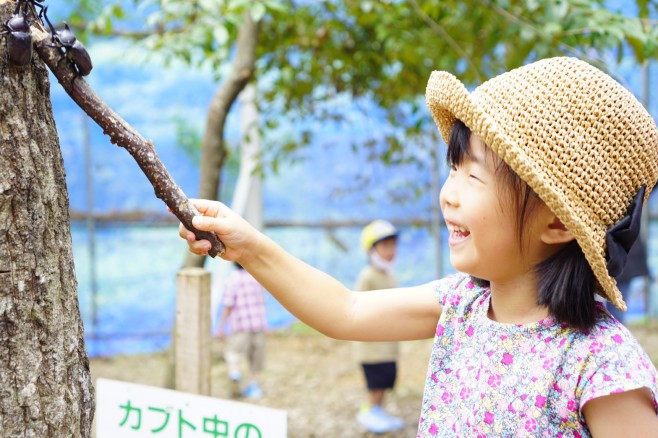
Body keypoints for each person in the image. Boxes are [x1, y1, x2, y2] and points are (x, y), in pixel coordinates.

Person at [179, 57, 658, 435]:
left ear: (556, 222)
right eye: (454, 168)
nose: (449, 192)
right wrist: (251, 248)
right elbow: (343, 310)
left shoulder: (601, 366)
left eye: (474, 175)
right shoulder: (461, 305)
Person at [354, 220, 404, 433]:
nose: (391, 251)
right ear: (370, 251)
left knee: (385, 381)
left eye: (393, 245)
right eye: (385, 246)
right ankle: (369, 411)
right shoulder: (368, 277)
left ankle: (378, 411)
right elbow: (359, 306)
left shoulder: (390, 275)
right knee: (375, 383)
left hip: (388, 345)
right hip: (373, 348)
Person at [216, 262, 268, 399]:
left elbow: (227, 305)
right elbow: (262, 301)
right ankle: (254, 386)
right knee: (256, 357)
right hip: (258, 323)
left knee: (233, 352)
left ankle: (235, 373)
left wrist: (221, 327)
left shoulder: (232, 278)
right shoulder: (256, 277)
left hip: (240, 325)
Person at [608, 238, 650, 324]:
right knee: (615, 311)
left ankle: (617, 333)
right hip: (619, 269)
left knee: (617, 311)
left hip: (621, 271)